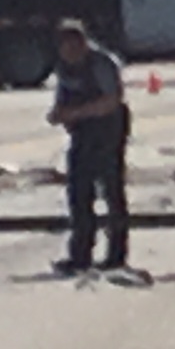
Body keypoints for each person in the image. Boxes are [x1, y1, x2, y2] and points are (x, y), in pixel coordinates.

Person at [48, 20, 130, 274]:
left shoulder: (102, 63)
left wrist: (77, 113)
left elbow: (111, 101)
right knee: (78, 192)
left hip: (108, 129)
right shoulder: (64, 68)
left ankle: (116, 255)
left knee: (111, 189)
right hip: (82, 133)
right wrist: (59, 114)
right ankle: (80, 255)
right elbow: (62, 98)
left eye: (73, 47)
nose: (69, 53)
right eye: (64, 48)